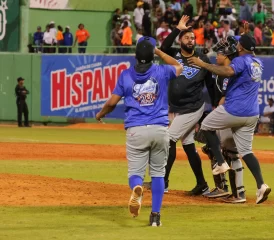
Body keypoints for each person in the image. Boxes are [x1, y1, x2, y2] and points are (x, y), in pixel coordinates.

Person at [95, 36, 183, 226]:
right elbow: (179, 66)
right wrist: (159, 51)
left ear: (135, 56)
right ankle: (155, 217)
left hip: (136, 130)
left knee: (135, 173)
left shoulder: (125, 75)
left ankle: (136, 188)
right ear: (152, 55)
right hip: (160, 128)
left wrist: (100, 114)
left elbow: (111, 103)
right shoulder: (162, 70)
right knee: (158, 174)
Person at [188, 34, 271, 204]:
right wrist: (243, 35)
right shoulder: (258, 62)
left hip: (235, 109)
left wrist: (203, 64)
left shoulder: (239, 61)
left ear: (240, 48)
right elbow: (242, 43)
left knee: (205, 126)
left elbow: (228, 71)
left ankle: (220, 163)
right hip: (252, 114)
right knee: (246, 151)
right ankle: (261, 185)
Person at [144, 15, 214, 195]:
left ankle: (163, 182)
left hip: (193, 107)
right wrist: (178, 28)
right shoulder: (174, 53)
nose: (191, 40)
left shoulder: (202, 59)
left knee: (168, 140)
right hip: (177, 107)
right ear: (181, 40)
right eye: (187, 37)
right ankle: (202, 185)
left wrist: (215, 107)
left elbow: (211, 85)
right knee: (189, 144)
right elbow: (164, 47)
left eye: (193, 38)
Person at [200, 36, 246, 203]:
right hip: (229, 114)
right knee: (219, 150)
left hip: (228, 114)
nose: (216, 56)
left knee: (230, 153)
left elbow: (225, 97)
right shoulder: (227, 71)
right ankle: (229, 189)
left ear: (226, 56)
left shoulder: (229, 72)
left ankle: (234, 192)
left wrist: (217, 114)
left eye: (219, 54)